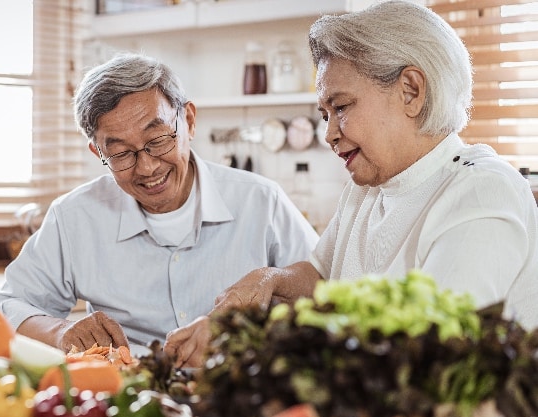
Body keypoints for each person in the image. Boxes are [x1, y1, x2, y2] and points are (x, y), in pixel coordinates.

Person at [165, 0, 538, 367]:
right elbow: (322, 279)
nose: (329, 134)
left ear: (410, 90)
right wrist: (269, 279)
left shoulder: (480, 190)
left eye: (341, 107)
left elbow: (431, 355)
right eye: (324, 114)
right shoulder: (366, 188)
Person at [0, 52, 319, 355]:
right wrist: (60, 331)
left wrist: (266, 288)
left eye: (157, 140)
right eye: (120, 153)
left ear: (188, 121)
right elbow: (1, 306)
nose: (147, 167)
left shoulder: (261, 201)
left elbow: (327, 289)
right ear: (98, 153)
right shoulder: (75, 217)